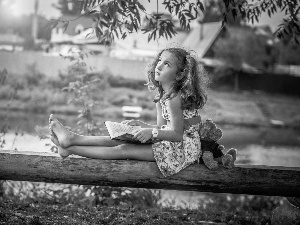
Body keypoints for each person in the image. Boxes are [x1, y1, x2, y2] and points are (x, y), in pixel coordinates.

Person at [49, 47, 236, 177]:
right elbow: (163, 127)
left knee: (125, 149)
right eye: (160, 61)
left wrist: (152, 133)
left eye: (167, 64)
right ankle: (71, 139)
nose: (159, 66)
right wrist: (143, 127)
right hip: (170, 142)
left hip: (181, 151)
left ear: (179, 75)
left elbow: (177, 134)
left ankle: (70, 148)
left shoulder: (174, 98)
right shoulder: (162, 96)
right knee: (119, 138)